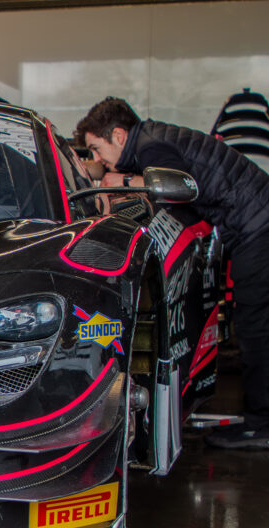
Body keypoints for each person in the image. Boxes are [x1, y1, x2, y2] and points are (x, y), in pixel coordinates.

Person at [75, 97, 269, 449]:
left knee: (256, 326)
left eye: (96, 148)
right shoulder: (155, 138)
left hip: (258, 227)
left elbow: (172, 197)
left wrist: (122, 182)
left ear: (119, 135)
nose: (97, 159)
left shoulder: (152, 147)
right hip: (255, 222)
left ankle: (262, 424)